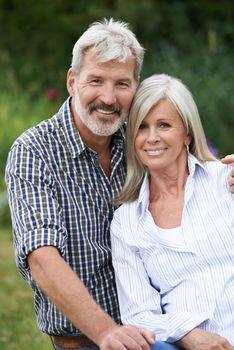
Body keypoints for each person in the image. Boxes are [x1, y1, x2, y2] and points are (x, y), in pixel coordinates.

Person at [4, 18, 234, 350]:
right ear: (72, 81)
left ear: (136, 87)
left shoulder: (138, 135)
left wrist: (226, 168)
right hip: (91, 339)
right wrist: (107, 332)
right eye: (95, 80)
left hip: (159, 330)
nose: (108, 98)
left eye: (122, 84)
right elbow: (41, 257)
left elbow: (190, 156)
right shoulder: (34, 152)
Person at [110, 73, 234, 350]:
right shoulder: (127, 221)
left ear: (187, 133)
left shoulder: (226, 182)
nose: (151, 138)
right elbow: (138, 315)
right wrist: (189, 335)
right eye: (141, 127)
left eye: (164, 125)